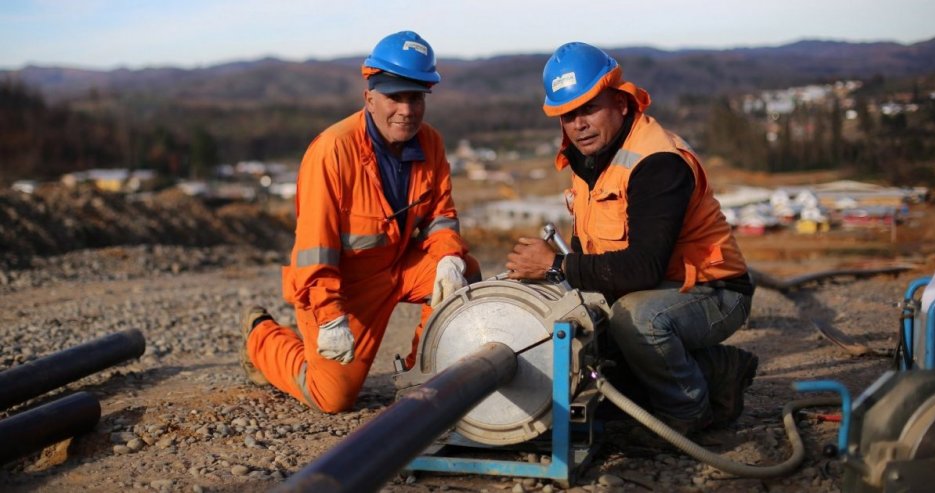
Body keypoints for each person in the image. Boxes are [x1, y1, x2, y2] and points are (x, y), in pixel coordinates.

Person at [506, 42, 757, 435]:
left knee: (636, 321)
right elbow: (593, 250)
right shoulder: (590, 158)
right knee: (590, 352)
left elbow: (643, 268)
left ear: (621, 103)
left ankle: (687, 413)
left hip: (714, 290)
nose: (578, 124)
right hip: (657, 286)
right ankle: (718, 370)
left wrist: (555, 263)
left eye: (589, 108)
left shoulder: (657, 161)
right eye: (567, 115)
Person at [240, 31, 479, 413]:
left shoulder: (430, 143)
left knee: (463, 272)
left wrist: (449, 259)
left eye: (415, 97)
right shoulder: (332, 152)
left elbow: (440, 217)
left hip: (399, 267)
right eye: (394, 97)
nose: (406, 109)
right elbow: (314, 250)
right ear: (369, 98)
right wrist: (331, 316)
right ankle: (262, 337)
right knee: (331, 398)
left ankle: (425, 370)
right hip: (346, 287)